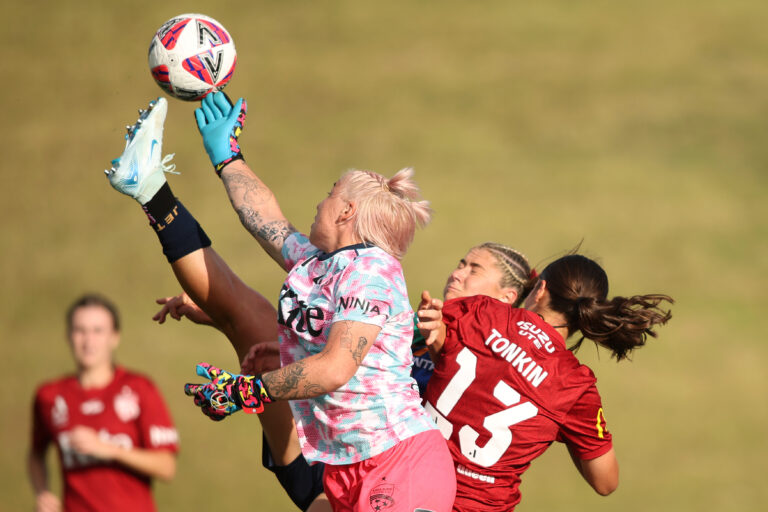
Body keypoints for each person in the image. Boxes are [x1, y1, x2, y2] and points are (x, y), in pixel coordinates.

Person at [104, 93, 456, 511]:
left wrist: (244, 392)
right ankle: (148, 186)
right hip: (347, 467)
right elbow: (265, 219)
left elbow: (335, 368)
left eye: (330, 194)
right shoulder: (320, 263)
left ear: (347, 211)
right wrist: (228, 157)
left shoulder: (372, 272)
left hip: (400, 461)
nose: (319, 201)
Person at [154, 240, 536, 509]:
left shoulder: (497, 366)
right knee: (253, 332)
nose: (457, 273)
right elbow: (330, 345)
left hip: (394, 485)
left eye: (474, 269)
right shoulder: (412, 324)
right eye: (460, 263)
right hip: (335, 465)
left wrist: (440, 342)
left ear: (506, 297)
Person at [417, 253, 674, 511]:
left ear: (540, 289)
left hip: (409, 486)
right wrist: (565, 425)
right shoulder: (574, 387)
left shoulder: (482, 311)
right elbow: (605, 482)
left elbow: (438, 349)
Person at [28, 294, 179, 512]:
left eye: (98, 331)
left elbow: (167, 467)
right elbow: (35, 454)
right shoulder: (49, 396)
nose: (89, 341)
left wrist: (109, 449)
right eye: (80, 330)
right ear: (69, 335)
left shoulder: (139, 389)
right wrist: (42, 493)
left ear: (114, 337)